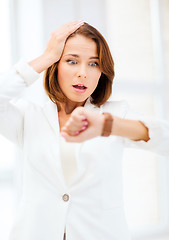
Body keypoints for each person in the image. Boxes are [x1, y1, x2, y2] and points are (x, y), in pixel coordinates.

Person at [0, 20, 169, 240]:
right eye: (71, 61)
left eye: (93, 64)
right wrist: (46, 57)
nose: (83, 73)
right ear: (56, 65)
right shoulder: (28, 117)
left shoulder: (116, 113)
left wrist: (107, 126)